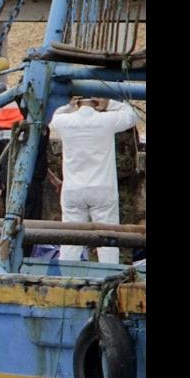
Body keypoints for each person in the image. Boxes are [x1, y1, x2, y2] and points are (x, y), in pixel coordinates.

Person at [50, 95, 139, 263]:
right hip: (102, 189)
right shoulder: (105, 120)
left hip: (73, 190)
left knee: (70, 241)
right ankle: (108, 278)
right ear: (96, 101)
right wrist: (109, 102)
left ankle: (66, 278)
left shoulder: (65, 122)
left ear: (77, 101)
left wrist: (69, 105)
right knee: (108, 242)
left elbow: (53, 116)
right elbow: (131, 115)